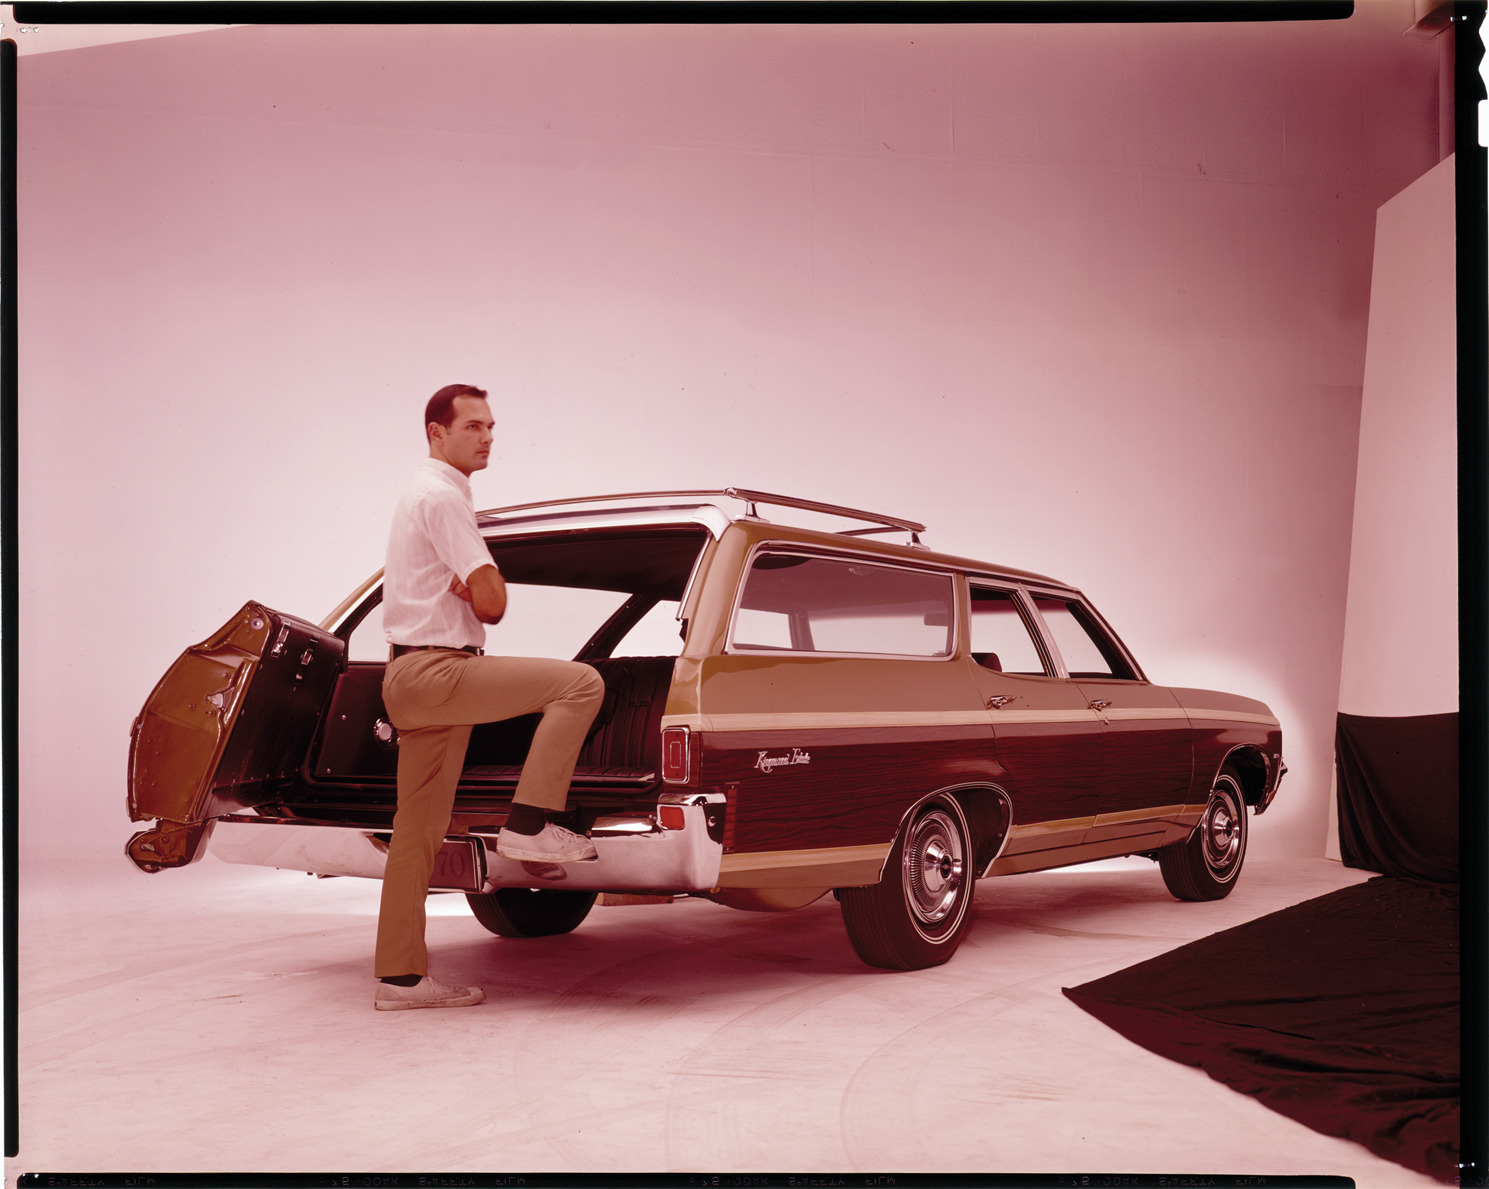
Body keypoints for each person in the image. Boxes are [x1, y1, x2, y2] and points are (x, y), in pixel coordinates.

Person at [372, 383, 605, 1010]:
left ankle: (400, 979)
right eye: (472, 426)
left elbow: (476, 593)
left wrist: (468, 584)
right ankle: (528, 824)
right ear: (436, 433)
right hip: (439, 671)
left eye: (491, 427)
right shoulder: (442, 496)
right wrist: (479, 582)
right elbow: (494, 604)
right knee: (581, 682)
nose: (487, 437)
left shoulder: (422, 495)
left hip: (410, 673)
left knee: (416, 833)